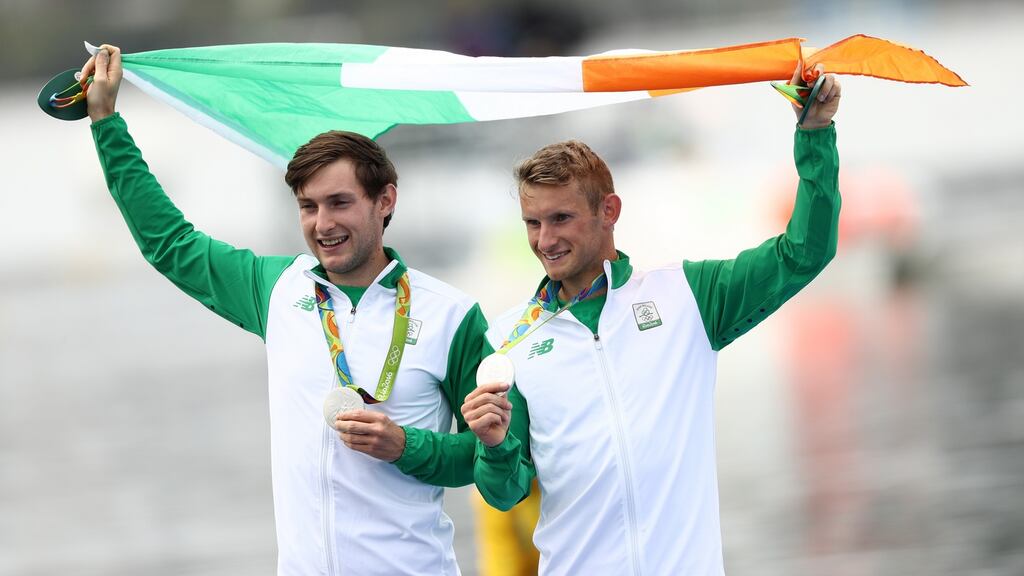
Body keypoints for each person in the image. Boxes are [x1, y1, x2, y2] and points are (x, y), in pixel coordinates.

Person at [82, 44, 489, 575]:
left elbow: (492, 462)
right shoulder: (276, 291)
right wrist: (105, 121)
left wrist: (405, 446)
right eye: (308, 206)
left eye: (340, 203)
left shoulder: (454, 315)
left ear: (384, 200)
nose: (323, 224)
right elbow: (168, 242)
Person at [462, 65, 842, 575]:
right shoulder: (508, 340)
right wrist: (493, 445)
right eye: (533, 223)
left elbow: (804, 252)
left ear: (609, 210)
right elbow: (505, 494)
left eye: (561, 219)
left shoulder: (687, 296)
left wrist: (814, 134)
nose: (544, 240)